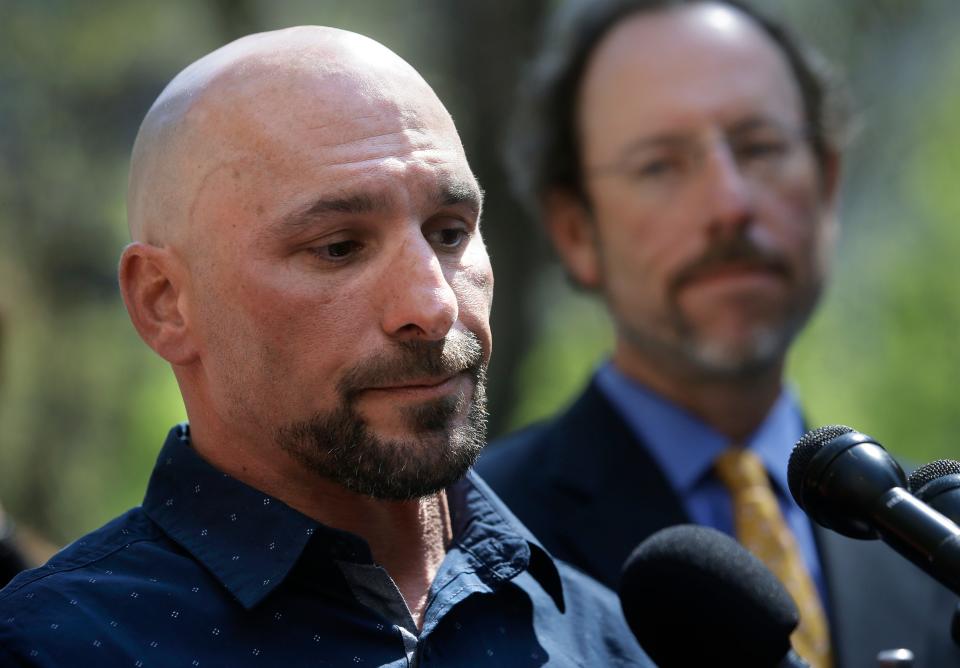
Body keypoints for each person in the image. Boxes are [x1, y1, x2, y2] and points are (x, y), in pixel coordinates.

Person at [0, 27, 652, 667]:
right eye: (338, 248)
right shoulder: (55, 646)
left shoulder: (612, 640)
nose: (432, 306)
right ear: (164, 301)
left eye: (450, 233)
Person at [476, 1, 960, 667]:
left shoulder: (928, 539)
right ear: (574, 231)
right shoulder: (479, 542)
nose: (730, 203)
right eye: (660, 165)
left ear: (829, 185)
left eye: (761, 148)